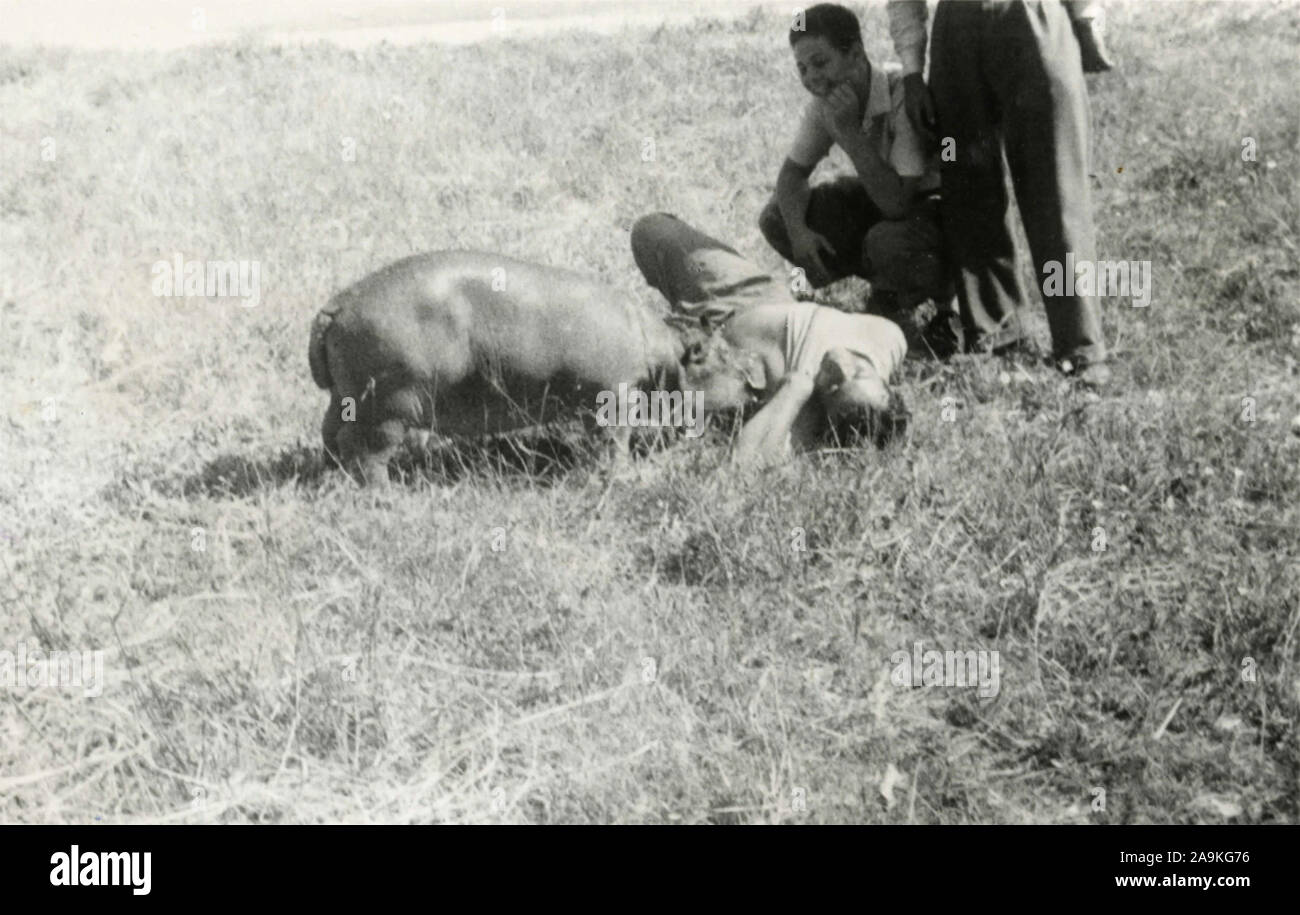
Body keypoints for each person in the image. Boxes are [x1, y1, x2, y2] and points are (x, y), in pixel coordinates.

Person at [886, 0, 1115, 386]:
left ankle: (1081, 347)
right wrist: (912, 71)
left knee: (1057, 186)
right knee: (967, 186)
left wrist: (1087, 15)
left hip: (1032, 16)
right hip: (956, 31)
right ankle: (996, 337)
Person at [631, 212, 908, 467]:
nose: (839, 367)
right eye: (858, 372)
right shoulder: (887, 341)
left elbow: (744, 463)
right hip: (749, 294)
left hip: (707, 354)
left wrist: (794, 389)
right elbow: (874, 389)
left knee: (624, 343)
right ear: (883, 382)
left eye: (835, 387)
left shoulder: (806, 414)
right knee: (653, 231)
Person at [759, 3, 951, 322]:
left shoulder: (899, 91)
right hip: (885, 198)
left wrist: (850, 134)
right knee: (777, 215)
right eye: (802, 68)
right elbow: (791, 176)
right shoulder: (827, 103)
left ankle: (933, 298)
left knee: (886, 242)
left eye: (820, 62)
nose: (812, 78)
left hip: (930, 210)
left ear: (856, 55)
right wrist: (798, 234)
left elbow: (898, 206)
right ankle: (885, 286)